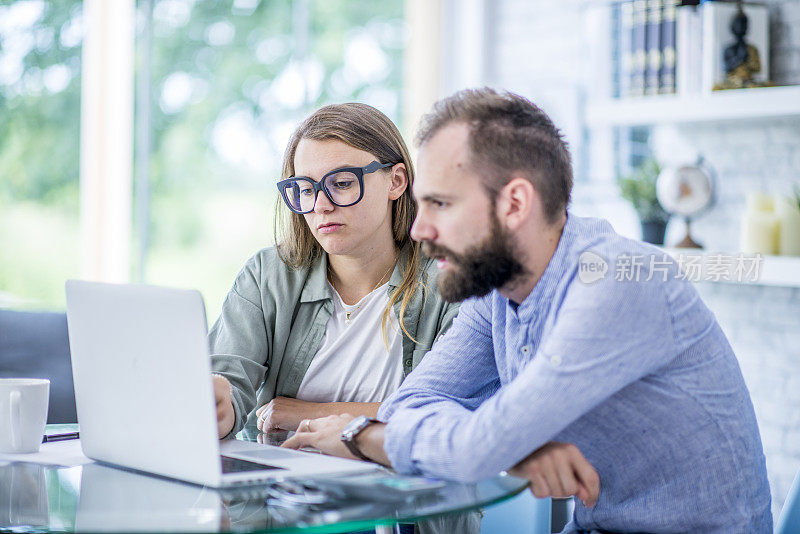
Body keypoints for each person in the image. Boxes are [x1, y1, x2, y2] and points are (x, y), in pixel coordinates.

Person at [283, 88, 773, 533]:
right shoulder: (494, 289)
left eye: (441, 205)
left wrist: (358, 434)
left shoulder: (617, 282)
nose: (418, 230)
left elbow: (474, 448)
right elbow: (411, 406)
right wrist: (509, 446)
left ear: (515, 203)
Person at [209, 102, 599, 510]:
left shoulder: (463, 279)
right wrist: (221, 398)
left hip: (413, 511)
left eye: (341, 183)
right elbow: (229, 381)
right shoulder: (269, 274)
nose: (320, 205)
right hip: (288, 510)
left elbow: (463, 422)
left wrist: (310, 415)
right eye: (305, 189)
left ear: (396, 181)